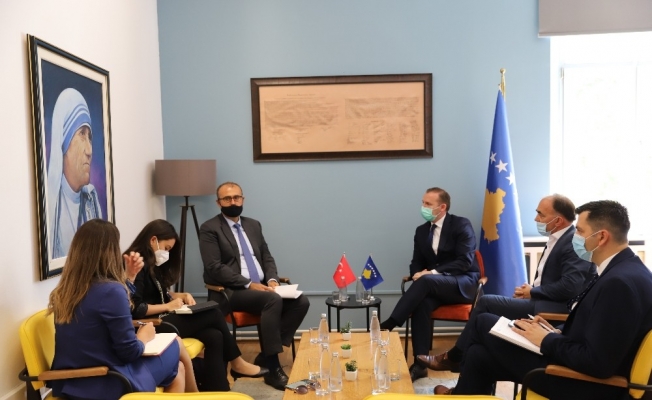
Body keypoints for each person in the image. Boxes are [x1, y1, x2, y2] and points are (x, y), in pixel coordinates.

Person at [435, 200, 652, 399]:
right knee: (478, 355)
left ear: (602, 237)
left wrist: (546, 340)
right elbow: (597, 331)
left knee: (483, 322)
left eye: (579, 230)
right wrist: (555, 331)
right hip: (571, 363)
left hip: (583, 384)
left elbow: (597, 363)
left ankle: (455, 372)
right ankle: (461, 393)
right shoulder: (626, 270)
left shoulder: (619, 284)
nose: (575, 236)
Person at [417, 194, 595, 372]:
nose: (536, 219)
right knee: (480, 339)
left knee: (486, 303)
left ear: (558, 221)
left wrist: (533, 292)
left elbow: (570, 286)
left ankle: (454, 357)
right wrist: (531, 290)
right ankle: (464, 368)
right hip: (542, 301)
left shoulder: (572, 243)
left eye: (541, 214)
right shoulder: (558, 238)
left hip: (553, 309)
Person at [48, 219, 185, 399]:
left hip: (72, 383)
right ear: (110, 252)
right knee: (175, 346)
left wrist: (130, 278)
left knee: (178, 370)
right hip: (110, 381)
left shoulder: (63, 292)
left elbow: (104, 307)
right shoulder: (111, 291)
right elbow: (129, 352)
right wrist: (143, 337)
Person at [126, 219, 268, 392]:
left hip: (162, 318)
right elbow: (137, 308)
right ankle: (237, 362)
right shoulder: (136, 265)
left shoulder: (151, 264)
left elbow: (158, 294)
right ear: (153, 240)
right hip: (150, 325)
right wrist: (168, 306)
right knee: (214, 313)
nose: (166, 253)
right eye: (166, 248)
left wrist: (180, 296)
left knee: (214, 335)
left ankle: (219, 391)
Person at [199, 182, 310, 390]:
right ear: (218, 203)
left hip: (262, 289)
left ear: (243, 199)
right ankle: (273, 366)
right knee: (272, 300)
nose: (233, 202)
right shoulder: (209, 228)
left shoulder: (253, 225)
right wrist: (249, 284)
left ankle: (264, 355)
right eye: (227, 199)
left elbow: (266, 256)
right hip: (231, 292)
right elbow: (214, 267)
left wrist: (272, 280)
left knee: (301, 301)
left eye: (236, 197)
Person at [378, 187, 480, 381]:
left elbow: (464, 261)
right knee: (421, 304)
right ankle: (421, 363)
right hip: (434, 286)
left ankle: (390, 324)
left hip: (462, 283)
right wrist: (416, 274)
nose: (423, 207)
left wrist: (431, 273)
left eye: (428, 204)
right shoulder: (421, 231)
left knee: (426, 281)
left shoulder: (461, 225)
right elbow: (416, 261)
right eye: (422, 202)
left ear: (442, 207)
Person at [48, 88, 102, 259]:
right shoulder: (52, 207)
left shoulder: (91, 200)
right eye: (81, 134)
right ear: (64, 142)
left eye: (89, 137)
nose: (89, 150)